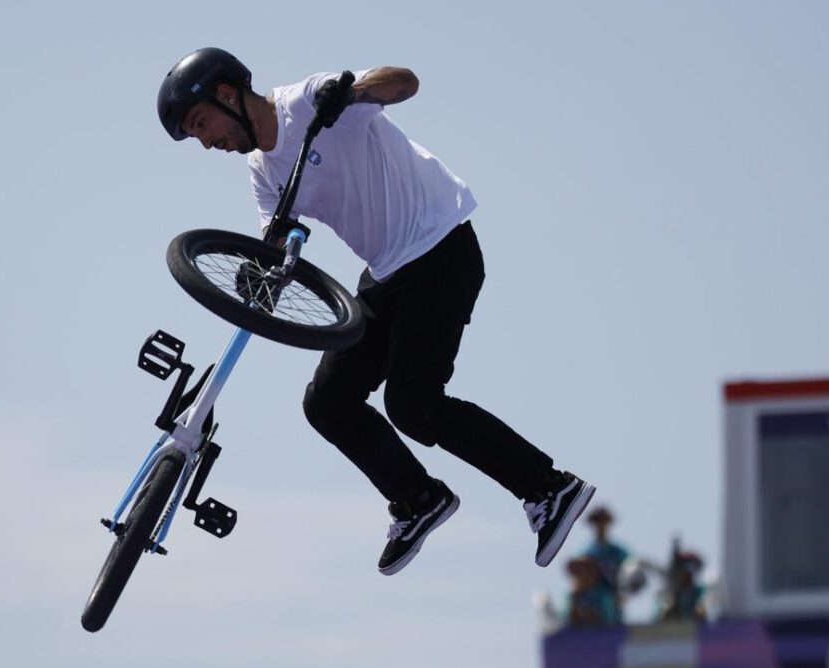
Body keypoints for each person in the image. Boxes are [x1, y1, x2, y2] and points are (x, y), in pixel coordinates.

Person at [157, 47, 596, 575]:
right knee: (327, 401)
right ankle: (418, 500)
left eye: (202, 124)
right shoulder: (263, 171)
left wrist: (353, 92)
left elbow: (405, 81)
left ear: (228, 95)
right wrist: (263, 272)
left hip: (441, 248)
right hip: (387, 272)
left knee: (413, 404)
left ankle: (549, 488)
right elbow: (277, 237)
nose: (207, 142)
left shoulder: (309, 102)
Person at [581, 506, 631, 622]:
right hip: (591, 612)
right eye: (597, 521)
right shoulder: (586, 554)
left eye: (603, 521)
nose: (600, 525)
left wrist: (623, 596)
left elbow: (629, 579)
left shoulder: (619, 553)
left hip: (614, 610)